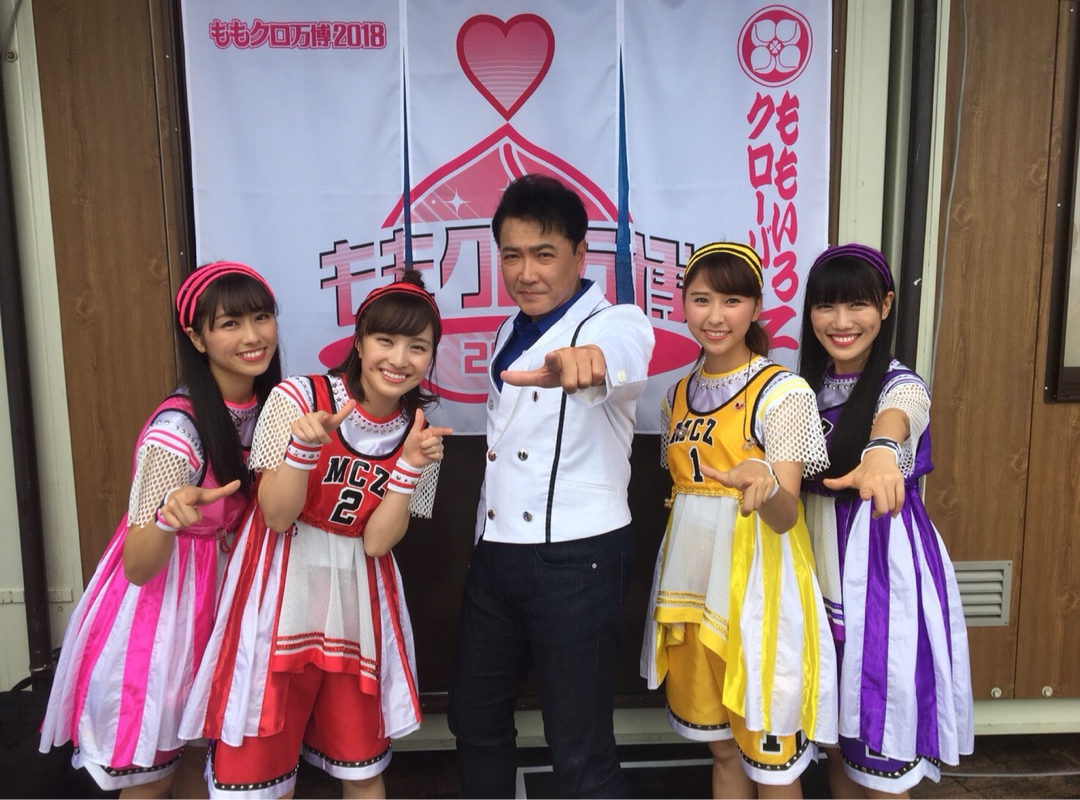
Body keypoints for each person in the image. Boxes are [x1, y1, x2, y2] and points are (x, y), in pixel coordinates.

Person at [179, 269, 450, 799]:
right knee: (259, 763)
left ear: (431, 357)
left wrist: (409, 468)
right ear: (359, 342)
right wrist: (303, 449)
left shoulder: (419, 432)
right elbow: (277, 515)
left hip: (356, 595)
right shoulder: (298, 396)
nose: (399, 359)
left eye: (417, 347)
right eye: (385, 340)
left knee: (362, 766)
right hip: (277, 584)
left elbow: (377, 542)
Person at [39, 261, 282, 798]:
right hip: (162, 612)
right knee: (152, 776)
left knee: (198, 760)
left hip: (221, 598)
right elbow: (137, 563)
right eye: (230, 324)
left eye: (261, 317)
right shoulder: (178, 430)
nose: (252, 336)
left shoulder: (268, 410)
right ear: (195, 338)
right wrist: (171, 518)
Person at [447, 173, 655, 798]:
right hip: (496, 555)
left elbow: (621, 357)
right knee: (475, 720)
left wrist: (587, 363)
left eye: (544, 254)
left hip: (577, 558)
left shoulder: (617, 322)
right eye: (511, 256)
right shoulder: (508, 331)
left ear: (579, 254)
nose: (526, 273)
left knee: (579, 749)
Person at [640, 242, 838, 799]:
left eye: (732, 300)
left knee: (771, 758)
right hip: (691, 586)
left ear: (756, 308)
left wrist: (764, 485)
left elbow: (786, 515)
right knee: (722, 748)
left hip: (758, 591)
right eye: (701, 299)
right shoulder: (676, 394)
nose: (715, 315)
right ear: (682, 303)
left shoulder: (783, 391)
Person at [799, 243, 973, 798]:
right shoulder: (802, 386)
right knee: (835, 734)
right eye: (826, 306)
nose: (841, 322)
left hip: (878, 568)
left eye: (857, 304)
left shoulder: (900, 384)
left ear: (887, 305)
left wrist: (879, 450)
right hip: (814, 558)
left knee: (877, 727)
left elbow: (899, 417)